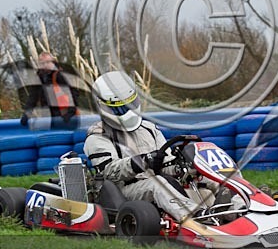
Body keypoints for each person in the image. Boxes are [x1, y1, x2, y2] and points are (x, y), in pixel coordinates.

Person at [83, 71, 202, 223]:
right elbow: (109, 172)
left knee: (209, 178)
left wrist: (181, 167)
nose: (127, 111)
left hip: (159, 182)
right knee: (158, 184)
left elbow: (165, 162)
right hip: (125, 191)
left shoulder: (149, 128)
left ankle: (236, 211)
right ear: (103, 107)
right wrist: (141, 161)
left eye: (130, 104)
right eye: (120, 108)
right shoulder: (98, 135)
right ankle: (198, 220)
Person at [19, 52, 78, 129]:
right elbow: (33, 97)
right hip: (48, 115)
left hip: (64, 115)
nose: (45, 65)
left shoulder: (60, 75)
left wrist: (71, 112)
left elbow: (73, 93)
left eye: (47, 62)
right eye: (42, 63)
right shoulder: (39, 77)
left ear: (53, 62)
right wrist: (27, 113)